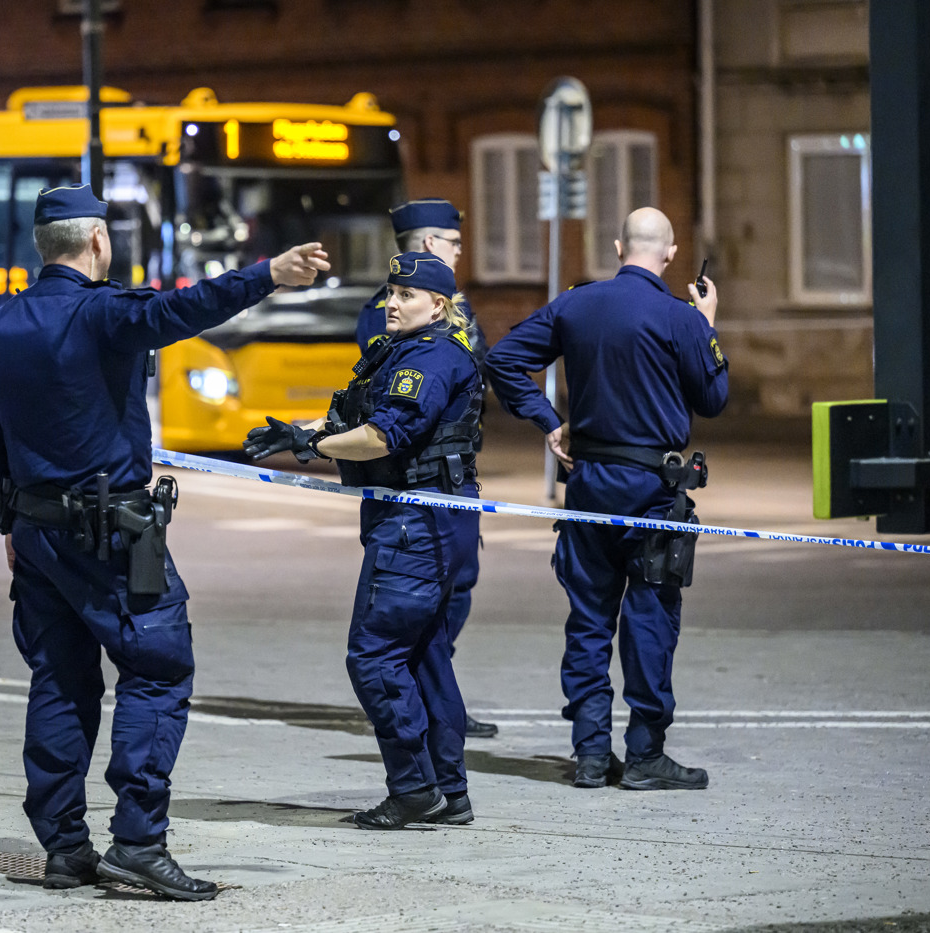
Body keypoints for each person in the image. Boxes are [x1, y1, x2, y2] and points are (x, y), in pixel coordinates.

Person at [0, 184, 329, 899]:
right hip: (113, 534)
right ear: (98, 241)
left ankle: (66, 848)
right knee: (159, 667)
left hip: (37, 534)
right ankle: (137, 840)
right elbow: (180, 309)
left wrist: (6, 521)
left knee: (61, 681)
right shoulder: (103, 313)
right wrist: (267, 274)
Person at [482, 207, 728, 791]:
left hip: (588, 487)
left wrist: (550, 421)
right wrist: (708, 324)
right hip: (653, 496)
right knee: (649, 622)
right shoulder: (680, 317)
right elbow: (713, 398)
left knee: (588, 620)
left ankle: (591, 755)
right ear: (669, 256)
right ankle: (645, 756)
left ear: (618, 247)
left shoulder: (576, 304)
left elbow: (504, 360)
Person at [246, 252, 483, 829]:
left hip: (414, 527)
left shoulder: (427, 358)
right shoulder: (404, 351)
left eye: (406, 295)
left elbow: (383, 436)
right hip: (427, 521)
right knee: (425, 656)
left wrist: (312, 449)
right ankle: (448, 792)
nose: (392, 303)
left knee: (374, 656)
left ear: (439, 305)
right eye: (391, 292)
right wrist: (305, 432)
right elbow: (364, 420)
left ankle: (413, 788)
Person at [356, 197, 498, 741]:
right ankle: (427, 744)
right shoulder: (393, 314)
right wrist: (318, 441)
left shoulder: (446, 306)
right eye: (454, 242)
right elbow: (390, 413)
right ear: (430, 244)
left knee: (441, 612)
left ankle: (439, 738)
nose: (462, 251)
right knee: (402, 636)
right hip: (411, 496)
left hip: (445, 486)